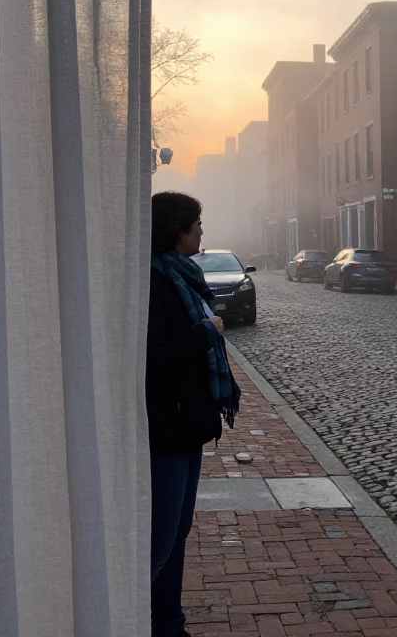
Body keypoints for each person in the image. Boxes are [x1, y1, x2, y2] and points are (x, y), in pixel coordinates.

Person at [147, 191, 240, 637]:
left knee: (178, 533)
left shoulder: (184, 273)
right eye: (197, 224)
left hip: (189, 425)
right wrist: (206, 332)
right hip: (167, 426)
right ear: (178, 229)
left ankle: (169, 622)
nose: (202, 231)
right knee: (160, 541)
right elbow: (155, 356)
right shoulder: (154, 281)